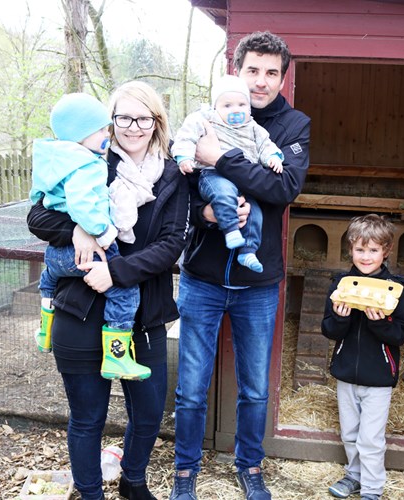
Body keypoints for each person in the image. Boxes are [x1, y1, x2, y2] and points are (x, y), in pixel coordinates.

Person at [27, 80, 189, 500]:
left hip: (144, 310)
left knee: (150, 412)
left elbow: (172, 243)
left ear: (157, 122)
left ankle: (133, 481)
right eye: (123, 118)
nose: (133, 127)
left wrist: (116, 272)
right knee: (87, 418)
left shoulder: (173, 175)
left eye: (143, 118)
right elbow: (36, 218)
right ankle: (90, 492)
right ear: (109, 121)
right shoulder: (87, 158)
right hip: (81, 309)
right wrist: (79, 229)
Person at [170, 31, 311, 500]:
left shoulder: (292, 126)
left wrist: (223, 157)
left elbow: (283, 189)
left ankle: (249, 465)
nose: (261, 82)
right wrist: (205, 214)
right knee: (191, 386)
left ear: (282, 77)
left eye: (272, 73)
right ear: (237, 69)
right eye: (253, 70)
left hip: (258, 280)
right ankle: (185, 471)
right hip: (203, 277)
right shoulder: (205, 117)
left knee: (254, 387)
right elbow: (179, 188)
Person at [29, 92, 149, 381]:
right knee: (125, 291)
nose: (107, 134)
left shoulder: (57, 159)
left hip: (56, 257)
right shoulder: (88, 164)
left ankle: (45, 330)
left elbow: (40, 198)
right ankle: (117, 356)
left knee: (48, 279)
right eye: (101, 129)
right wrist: (101, 231)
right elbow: (82, 203)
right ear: (81, 133)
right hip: (83, 255)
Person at [321, 215, 404, 500]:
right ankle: (354, 476)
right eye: (360, 249)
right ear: (350, 249)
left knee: (370, 439)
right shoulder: (341, 284)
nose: (366, 256)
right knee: (350, 433)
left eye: (373, 250)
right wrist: (339, 317)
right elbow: (329, 330)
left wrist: (378, 322)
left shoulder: (397, 290)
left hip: (378, 377)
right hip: (346, 373)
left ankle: (372, 490)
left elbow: (400, 335)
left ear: (386, 251)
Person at [171, 74, 284, 273]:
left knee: (254, 212)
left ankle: (248, 250)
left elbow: (265, 145)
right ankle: (231, 229)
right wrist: (184, 157)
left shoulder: (253, 127)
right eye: (228, 105)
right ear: (216, 107)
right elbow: (186, 136)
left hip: (243, 181)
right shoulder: (206, 120)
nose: (236, 110)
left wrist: (273, 157)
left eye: (242, 104)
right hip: (213, 174)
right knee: (223, 194)